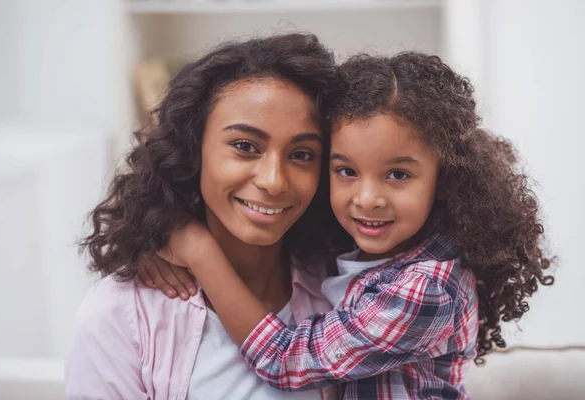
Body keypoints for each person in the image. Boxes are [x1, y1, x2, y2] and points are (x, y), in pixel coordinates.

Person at [146, 52, 555, 399]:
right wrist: (147, 243)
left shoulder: (428, 288)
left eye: (397, 175)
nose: (367, 198)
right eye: (346, 171)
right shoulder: (353, 254)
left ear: (444, 179)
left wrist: (197, 249)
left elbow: (284, 358)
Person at [65, 33, 343, 400]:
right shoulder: (118, 316)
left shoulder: (343, 289)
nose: (274, 181)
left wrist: (199, 250)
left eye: (303, 154)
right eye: (245, 147)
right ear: (193, 150)